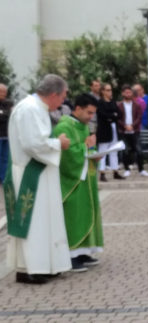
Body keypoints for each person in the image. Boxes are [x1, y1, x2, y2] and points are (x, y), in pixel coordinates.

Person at [5, 74, 71, 284]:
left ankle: (46, 265)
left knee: (45, 222)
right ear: (53, 95)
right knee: (34, 223)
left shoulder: (36, 108)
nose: (63, 102)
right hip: (30, 175)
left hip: (41, 174)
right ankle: (30, 269)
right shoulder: (29, 109)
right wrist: (58, 143)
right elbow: (33, 144)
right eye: (63, 97)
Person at [53, 93, 103, 272]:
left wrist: (95, 154)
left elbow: (87, 147)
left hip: (86, 179)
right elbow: (67, 154)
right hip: (72, 180)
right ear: (78, 108)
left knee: (86, 214)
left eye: (93, 114)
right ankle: (71, 255)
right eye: (89, 113)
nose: (91, 117)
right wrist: (87, 148)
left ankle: (83, 252)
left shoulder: (83, 125)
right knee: (74, 217)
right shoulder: (64, 126)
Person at [96, 83, 125, 181]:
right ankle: (102, 173)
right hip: (104, 130)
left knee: (114, 151)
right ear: (103, 91)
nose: (110, 92)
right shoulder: (100, 102)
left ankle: (115, 171)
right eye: (107, 90)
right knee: (103, 152)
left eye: (110, 90)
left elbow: (119, 114)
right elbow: (103, 115)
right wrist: (113, 115)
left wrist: (112, 116)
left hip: (114, 129)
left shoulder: (112, 102)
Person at [117, 84, 144, 177]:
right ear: (123, 93)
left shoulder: (136, 105)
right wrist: (125, 126)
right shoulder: (119, 105)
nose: (128, 94)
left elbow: (139, 117)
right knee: (125, 151)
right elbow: (118, 118)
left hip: (135, 130)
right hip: (123, 131)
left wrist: (132, 126)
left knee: (139, 150)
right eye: (126, 92)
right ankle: (127, 169)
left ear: (132, 93)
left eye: (129, 92)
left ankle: (141, 170)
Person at [0, 83, 13, 183]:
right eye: (1, 92)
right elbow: (4, 117)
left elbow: (10, 115)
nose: (3, 94)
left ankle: (3, 177)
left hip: (6, 135)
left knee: (5, 158)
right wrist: (6, 114)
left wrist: (5, 114)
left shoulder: (8, 103)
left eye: (4, 92)